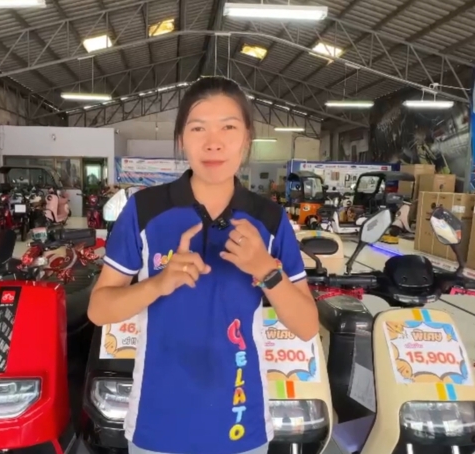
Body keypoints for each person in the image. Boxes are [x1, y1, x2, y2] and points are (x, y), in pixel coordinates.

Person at [88, 76, 319, 454]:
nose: (213, 142)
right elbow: (99, 309)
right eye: (198, 128)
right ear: (181, 138)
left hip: (241, 427)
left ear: (247, 138)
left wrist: (266, 270)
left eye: (228, 127)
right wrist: (158, 284)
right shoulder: (145, 210)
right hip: (157, 428)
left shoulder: (269, 219)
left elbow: (307, 326)